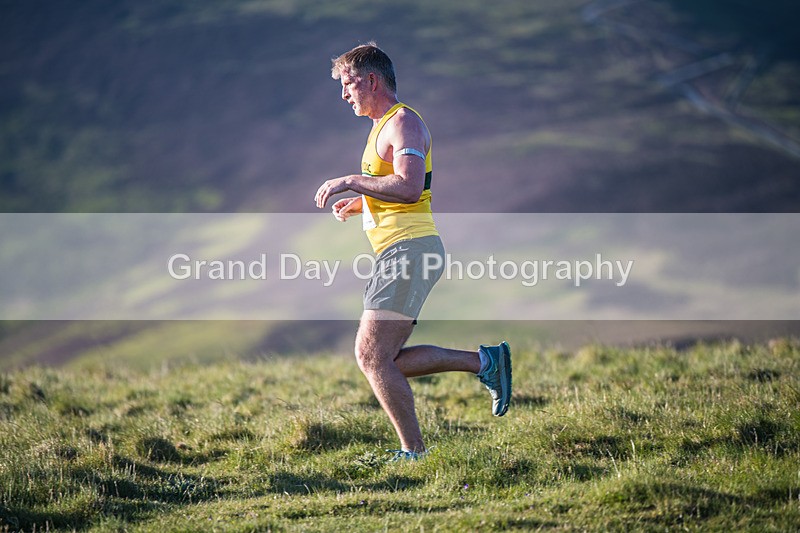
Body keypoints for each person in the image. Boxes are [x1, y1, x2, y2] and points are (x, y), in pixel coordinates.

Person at [314, 42, 511, 460]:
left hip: (409, 250)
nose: (344, 95)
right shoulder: (381, 125)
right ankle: (486, 362)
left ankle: (414, 452)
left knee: (371, 357)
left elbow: (408, 186)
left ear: (372, 80)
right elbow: (393, 187)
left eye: (348, 85)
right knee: (385, 361)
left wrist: (351, 180)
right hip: (401, 250)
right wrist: (363, 201)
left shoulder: (402, 122)